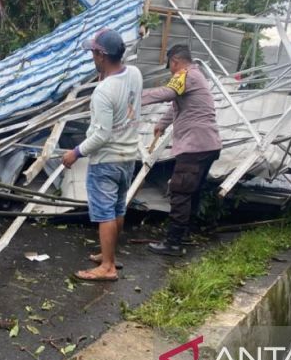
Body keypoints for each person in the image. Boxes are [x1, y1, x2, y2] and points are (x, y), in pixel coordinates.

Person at [61, 30, 141, 281]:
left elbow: (102, 135)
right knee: (117, 209)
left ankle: (107, 267)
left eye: (94, 52)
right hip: (128, 155)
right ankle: (110, 256)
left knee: (104, 213)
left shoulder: (104, 92)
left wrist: (75, 152)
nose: (91, 56)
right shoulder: (135, 74)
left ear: (102, 55)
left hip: (106, 160)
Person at [141, 45, 222, 256]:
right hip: (207, 145)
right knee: (191, 192)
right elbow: (176, 102)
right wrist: (163, 123)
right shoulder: (196, 76)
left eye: (170, 66)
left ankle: (173, 243)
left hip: (194, 145)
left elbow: (168, 93)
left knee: (180, 191)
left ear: (175, 62)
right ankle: (184, 234)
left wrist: (134, 97)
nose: (170, 70)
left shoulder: (185, 75)